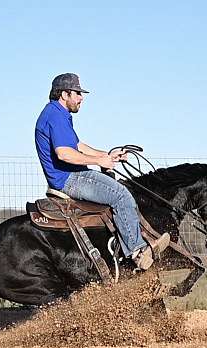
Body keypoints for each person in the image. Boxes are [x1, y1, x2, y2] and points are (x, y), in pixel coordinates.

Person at [34, 73, 170, 270]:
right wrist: (99, 160)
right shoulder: (55, 115)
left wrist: (108, 155)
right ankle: (137, 252)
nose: (81, 98)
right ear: (64, 94)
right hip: (70, 179)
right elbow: (64, 154)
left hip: (72, 175)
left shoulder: (59, 114)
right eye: (78, 93)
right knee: (121, 195)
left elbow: (78, 146)